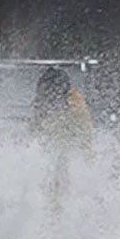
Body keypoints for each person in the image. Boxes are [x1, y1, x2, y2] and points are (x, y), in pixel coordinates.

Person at [29, 67, 95, 208]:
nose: (41, 92)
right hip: (54, 156)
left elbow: (81, 142)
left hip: (73, 159)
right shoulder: (42, 103)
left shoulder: (74, 105)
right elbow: (34, 132)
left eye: (45, 88)